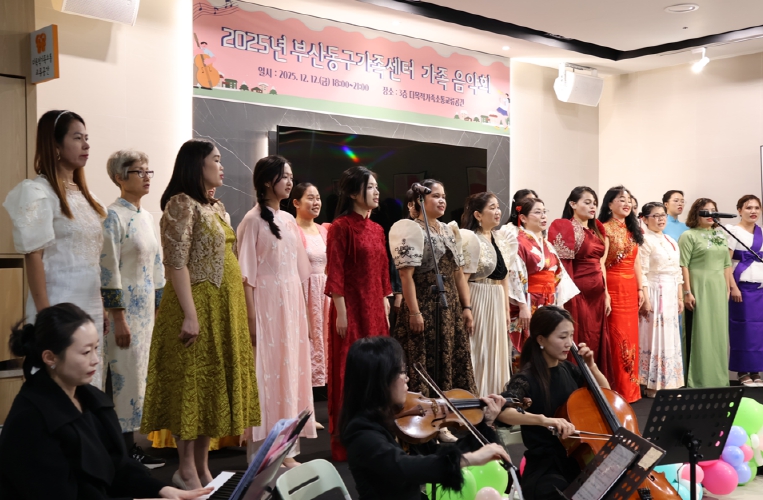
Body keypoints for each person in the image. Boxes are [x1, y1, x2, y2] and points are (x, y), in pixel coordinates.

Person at [140, 139, 260, 490]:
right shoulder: (181, 203)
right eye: (216, 160)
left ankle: (203, 466)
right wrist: (190, 315)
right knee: (189, 385)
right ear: (197, 165)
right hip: (195, 305)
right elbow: (176, 264)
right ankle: (186, 469)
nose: (222, 167)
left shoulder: (216, 206)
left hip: (222, 307)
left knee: (209, 386)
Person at [0, 303, 212, 500]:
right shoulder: (30, 419)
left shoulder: (91, 399)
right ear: (50, 357)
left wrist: (161, 490)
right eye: (85, 352)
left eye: (96, 348)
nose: (95, 359)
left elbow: (117, 465)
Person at [3, 110, 107, 388]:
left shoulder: (87, 196)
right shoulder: (38, 192)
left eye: (87, 138)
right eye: (77, 138)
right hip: (58, 302)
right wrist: (46, 316)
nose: (86, 145)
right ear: (55, 145)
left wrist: (102, 305)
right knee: (57, 388)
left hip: (90, 306)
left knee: (89, 386)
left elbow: (92, 260)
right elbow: (34, 257)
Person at [340, 336, 511, 500]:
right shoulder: (361, 433)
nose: (407, 378)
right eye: (401, 372)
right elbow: (406, 467)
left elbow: (438, 455)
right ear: (381, 380)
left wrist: (486, 423)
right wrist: (471, 459)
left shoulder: (396, 421)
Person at [238, 155, 316, 467]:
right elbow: (246, 277)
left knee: (291, 375)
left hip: (290, 304)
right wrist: (251, 320)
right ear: (267, 181)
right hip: (266, 304)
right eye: (284, 176)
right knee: (267, 376)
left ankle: (287, 450)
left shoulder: (288, 221)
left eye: (291, 176)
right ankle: (263, 454)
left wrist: (305, 317)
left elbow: (298, 273)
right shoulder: (252, 220)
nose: (289, 181)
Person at [496, 305, 609, 500]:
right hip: (545, 468)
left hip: (575, 460)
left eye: (571, 336)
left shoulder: (569, 369)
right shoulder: (526, 378)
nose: (569, 343)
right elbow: (503, 412)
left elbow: (606, 397)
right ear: (541, 340)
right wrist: (544, 420)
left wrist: (592, 366)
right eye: (562, 337)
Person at [100, 149, 166, 468]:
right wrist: (118, 317)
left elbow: (157, 266)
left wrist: (160, 309)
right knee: (122, 377)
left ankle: (131, 448)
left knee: (139, 378)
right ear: (119, 177)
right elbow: (108, 268)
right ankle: (122, 452)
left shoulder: (147, 217)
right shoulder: (112, 216)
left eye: (148, 171)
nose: (146, 177)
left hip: (146, 314)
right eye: (139, 172)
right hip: (124, 313)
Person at [325, 165, 392, 461]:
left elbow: (383, 272)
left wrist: (385, 302)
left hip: (374, 308)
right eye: (370, 187)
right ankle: (348, 439)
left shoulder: (377, 229)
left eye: (377, 186)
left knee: (378, 370)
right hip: (350, 308)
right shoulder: (341, 227)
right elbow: (335, 271)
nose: (376, 192)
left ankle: (377, 434)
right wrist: (341, 312)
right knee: (349, 371)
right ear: (354, 193)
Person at [390, 179, 477, 398]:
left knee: (451, 357)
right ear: (420, 200)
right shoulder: (411, 229)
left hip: (449, 307)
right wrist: (414, 312)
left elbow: (458, 272)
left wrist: (466, 307)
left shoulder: (449, 230)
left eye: (444, 197)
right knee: (424, 356)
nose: (441, 201)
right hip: (424, 304)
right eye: (435, 196)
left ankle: (452, 410)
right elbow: (405, 275)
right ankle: (424, 411)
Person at [548, 186, 610, 376]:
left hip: (597, 294)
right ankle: (577, 382)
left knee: (596, 339)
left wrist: (606, 293)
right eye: (587, 202)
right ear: (573, 204)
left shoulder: (597, 228)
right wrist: (565, 298)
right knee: (580, 336)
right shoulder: (565, 227)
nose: (593, 207)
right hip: (577, 293)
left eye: (594, 203)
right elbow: (562, 267)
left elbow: (601, 264)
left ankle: (596, 384)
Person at [459, 192, 517, 396]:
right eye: (492, 208)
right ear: (478, 215)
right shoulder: (470, 239)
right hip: (478, 296)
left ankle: (496, 397)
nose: (498, 211)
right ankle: (477, 397)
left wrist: (506, 309)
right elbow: (462, 278)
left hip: (497, 297)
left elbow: (504, 277)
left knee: (496, 349)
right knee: (480, 348)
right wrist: (467, 308)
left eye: (498, 207)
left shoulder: (500, 239)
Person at [508, 197, 579, 358]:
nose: (543, 216)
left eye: (544, 212)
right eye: (538, 212)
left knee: (548, 343)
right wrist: (522, 306)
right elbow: (515, 274)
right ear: (523, 218)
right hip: (530, 299)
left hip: (549, 299)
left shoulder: (547, 245)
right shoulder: (518, 242)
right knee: (531, 344)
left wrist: (559, 305)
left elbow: (558, 275)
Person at [598, 186, 644, 403]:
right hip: (614, 286)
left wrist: (641, 289)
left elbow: (637, 262)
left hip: (630, 288)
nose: (626, 203)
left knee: (632, 337)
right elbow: (601, 264)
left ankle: (631, 389)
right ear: (609, 204)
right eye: (621, 199)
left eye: (628, 200)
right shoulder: (605, 229)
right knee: (618, 339)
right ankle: (617, 390)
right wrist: (605, 293)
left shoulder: (633, 230)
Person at [679, 198, 731, 388]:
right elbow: (683, 264)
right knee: (701, 332)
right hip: (698, 286)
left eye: (713, 210)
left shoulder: (721, 235)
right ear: (696, 213)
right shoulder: (688, 235)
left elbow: (726, 264)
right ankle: (699, 379)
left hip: (718, 288)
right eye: (706, 211)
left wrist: (727, 288)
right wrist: (687, 291)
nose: (711, 214)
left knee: (718, 333)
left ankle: (719, 379)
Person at [637, 202, 684, 397]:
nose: (660, 219)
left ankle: (669, 382)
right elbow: (642, 272)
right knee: (654, 336)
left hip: (671, 292)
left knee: (670, 337)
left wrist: (680, 296)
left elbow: (677, 271)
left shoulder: (670, 240)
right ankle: (651, 384)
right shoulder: (644, 240)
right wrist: (646, 298)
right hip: (655, 291)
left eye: (663, 215)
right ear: (645, 219)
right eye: (655, 216)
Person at [292, 182, 330, 394]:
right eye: (310, 198)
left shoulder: (324, 230)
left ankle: (323, 386)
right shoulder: (292, 230)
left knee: (324, 338)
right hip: (304, 290)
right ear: (296, 203)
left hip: (324, 292)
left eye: (318, 198)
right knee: (307, 339)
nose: (316, 202)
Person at [726, 195, 763, 386]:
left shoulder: (761, 232)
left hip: (760, 288)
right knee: (743, 329)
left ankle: (756, 371)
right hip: (742, 287)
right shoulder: (733, 231)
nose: (753, 211)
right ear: (739, 210)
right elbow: (726, 262)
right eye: (748, 208)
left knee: (759, 331)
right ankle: (742, 371)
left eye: (756, 208)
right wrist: (733, 287)